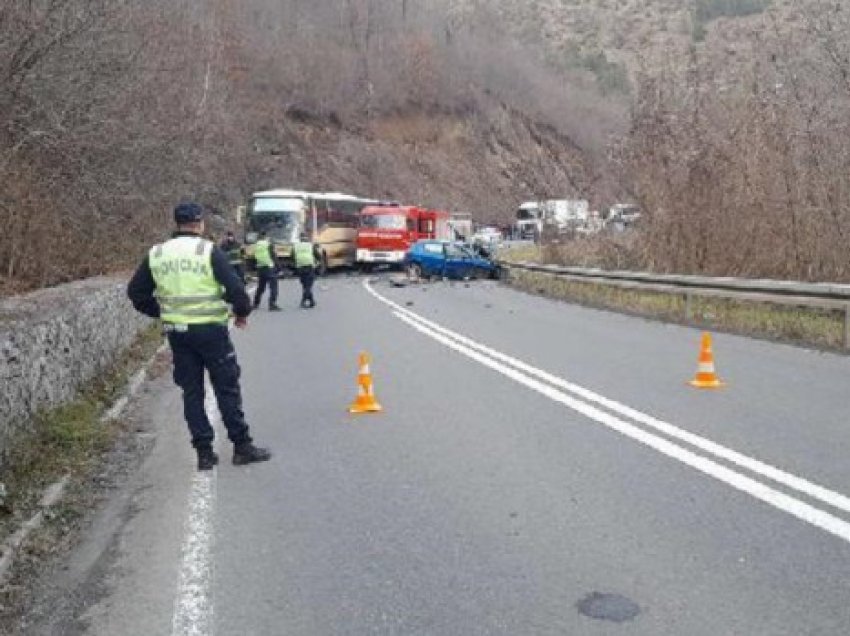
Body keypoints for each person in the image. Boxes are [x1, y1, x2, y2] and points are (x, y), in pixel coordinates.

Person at [127, 202, 272, 471]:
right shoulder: (207, 251)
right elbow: (237, 291)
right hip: (211, 332)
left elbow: (136, 293)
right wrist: (241, 314)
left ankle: (204, 453)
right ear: (200, 224)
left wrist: (163, 312)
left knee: (192, 391)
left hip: (178, 334)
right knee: (226, 387)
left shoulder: (157, 254)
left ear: (177, 223)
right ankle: (241, 446)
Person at [252, 231, 280, 311]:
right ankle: (272, 304)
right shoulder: (268, 244)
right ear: (265, 236)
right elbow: (273, 256)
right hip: (269, 267)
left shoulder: (256, 245)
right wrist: (278, 268)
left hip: (260, 268)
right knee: (273, 287)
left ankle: (255, 303)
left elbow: (254, 257)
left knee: (261, 287)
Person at [293, 233, 321, 308]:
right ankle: (303, 301)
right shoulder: (310, 245)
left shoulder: (295, 246)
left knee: (305, 285)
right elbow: (318, 256)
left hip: (300, 267)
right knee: (309, 286)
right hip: (309, 266)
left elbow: (292, 257)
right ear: (306, 238)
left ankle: (311, 301)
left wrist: (295, 264)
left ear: (300, 238)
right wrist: (317, 264)